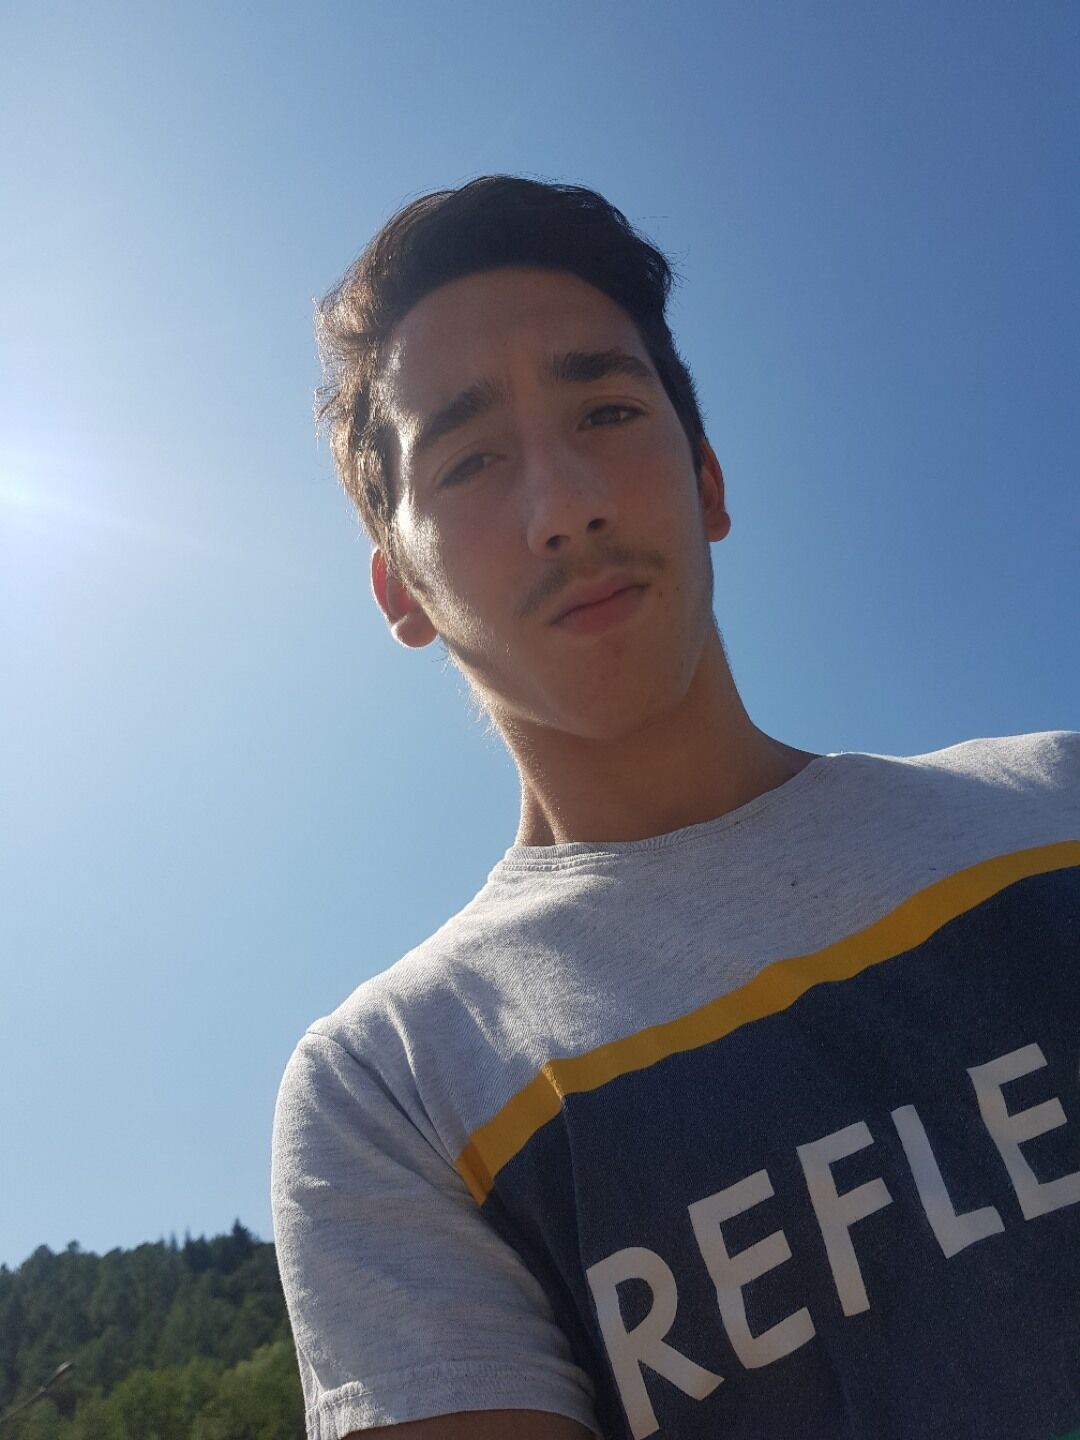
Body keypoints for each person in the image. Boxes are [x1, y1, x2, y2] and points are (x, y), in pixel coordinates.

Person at [271, 176, 1080, 1440]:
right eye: (470, 461)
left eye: (606, 411)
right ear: (402, 591)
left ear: (707, 482)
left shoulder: (1054, 807)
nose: (565, 509)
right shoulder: (393, 1091)